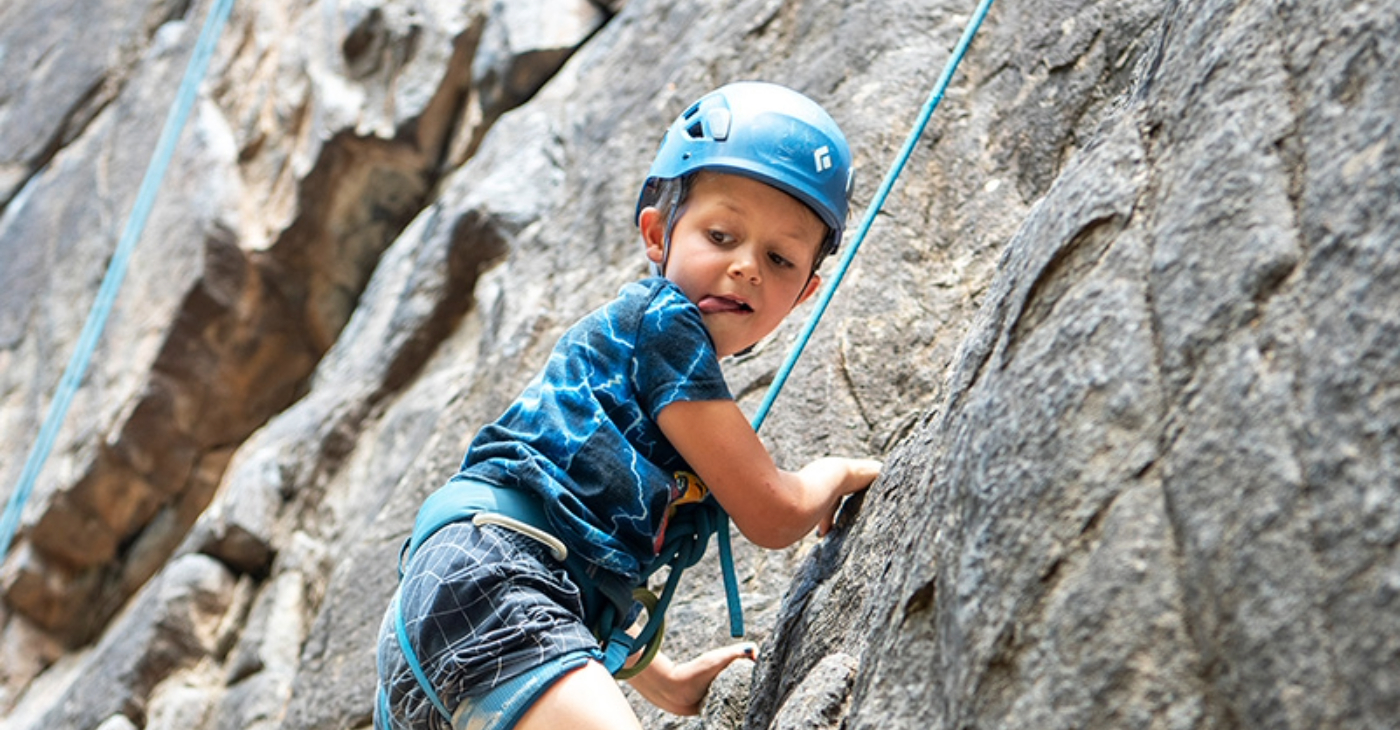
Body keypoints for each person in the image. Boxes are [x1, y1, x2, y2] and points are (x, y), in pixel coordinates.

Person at [374, 81, 882, 730]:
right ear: (656, 232)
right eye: (722, 235)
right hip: (496, 581)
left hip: (453, 607)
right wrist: (835, 474)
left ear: (805, 292)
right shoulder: (662, 325)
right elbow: (775, 514)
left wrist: (663, 682)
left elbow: (580, 532)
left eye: (779, 258)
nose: (748, 267)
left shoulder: (633, 354)